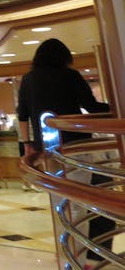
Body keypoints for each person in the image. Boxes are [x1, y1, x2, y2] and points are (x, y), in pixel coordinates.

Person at [16, 38, 113, 265]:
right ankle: (78, 259)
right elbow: (91, 107)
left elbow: (22, 114)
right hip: (76, 147)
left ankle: (67, 256)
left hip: (48, 150)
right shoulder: (71, 76)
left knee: (59, 203)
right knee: (78, 205)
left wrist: (28, 145)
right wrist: (115, 107)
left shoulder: (28, 79)